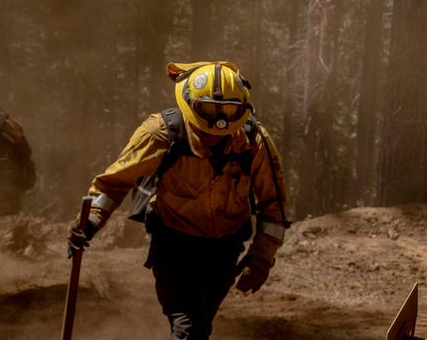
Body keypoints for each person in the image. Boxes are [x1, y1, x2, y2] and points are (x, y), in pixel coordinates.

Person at [67, 61, 289, 340]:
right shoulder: (160, 133)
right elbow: (114, 182)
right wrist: (90, 220)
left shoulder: (254, 141)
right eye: (208, 111)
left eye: (230, 111)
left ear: (242, 110)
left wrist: (262, 256)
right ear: (191, 107)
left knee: (200, 323)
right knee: (188, 325)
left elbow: (274, 205)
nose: (218, 123)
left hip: (224, 248)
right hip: (172, 243)